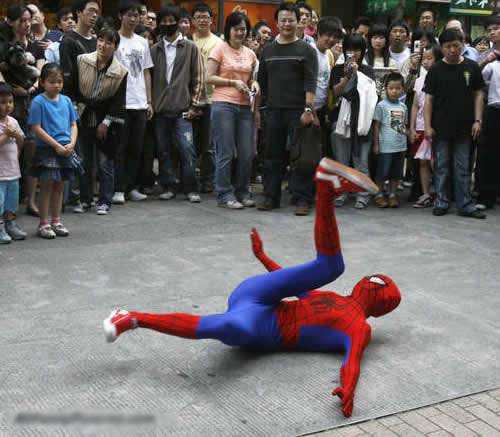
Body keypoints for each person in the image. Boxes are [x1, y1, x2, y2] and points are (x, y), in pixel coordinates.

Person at [103, 158, 401, 419]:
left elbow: (352, 361)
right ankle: (325, 188)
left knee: (232, 325)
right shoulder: (334, 299)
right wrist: (262, 256)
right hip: (258, 296)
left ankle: (132, 317)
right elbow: (289, 280)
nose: (370, 282)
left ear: (379, 302)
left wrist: (348, 388)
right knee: (330, 268)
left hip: (259, 325)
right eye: (374, 279)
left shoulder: (358, 327)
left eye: (377, 284)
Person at [257, 2, 318, 215]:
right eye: (283, 20)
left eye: (291, 20)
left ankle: (302, 199)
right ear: (277, 22)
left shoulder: (307, 50)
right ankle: (270, 197)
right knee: (272, 156)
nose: (286, 24)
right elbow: (262, 82)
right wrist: (260, 110)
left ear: (298, 22)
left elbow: (311, 82)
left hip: (298, 111)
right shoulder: (268, 50)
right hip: (273, 111)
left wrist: (308, 109)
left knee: (301, 157)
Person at [423, 28, 485, 219]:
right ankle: (441, 202)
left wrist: (478, 120)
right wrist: (427, 126)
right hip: (440, 127)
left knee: (463, 168)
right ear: (441, 47)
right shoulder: (435, 70)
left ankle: (465, 204)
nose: (452, 50)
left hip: (465, 128)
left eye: (456, 45)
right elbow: (428, 100)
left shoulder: (472, 67)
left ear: (463, 45)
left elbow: (478, 94)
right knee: (441, 167)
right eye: (448, 46)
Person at [151, 5, 205, 203]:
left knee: (187, 149)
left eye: (171, 20)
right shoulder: (154, 50)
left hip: (183, 110)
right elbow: (149, 78)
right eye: (163, 21)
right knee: (163, 150)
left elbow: (199, 77)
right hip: (160, 110)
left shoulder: (190, 47)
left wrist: (195, 106)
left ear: (178, 22)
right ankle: (169, 186)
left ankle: (191, 188)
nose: (168, 24)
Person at [207, 12, 259, 209]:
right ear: (228, 29)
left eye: (243, 29)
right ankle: (224, 193)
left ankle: (243, 191)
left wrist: (254, 84)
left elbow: (252, 78)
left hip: (245, 106)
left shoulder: (250, 53)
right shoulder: (219, 49)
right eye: (236, 29)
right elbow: (208, 77)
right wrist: (232, 82)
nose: (240, 33)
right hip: (223, 105)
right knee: (225, 151)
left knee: (247, 152)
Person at [74, 27, 128, 216]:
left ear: (115, 47)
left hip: (106, 119)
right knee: (84, 161)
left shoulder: (121, 72)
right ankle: (85, 199)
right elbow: (73, 88)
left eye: (109, 42)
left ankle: (105, 200)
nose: (103, 45)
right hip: (82, 114)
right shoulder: (82, 60)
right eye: (100, 40)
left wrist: (106, 122)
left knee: (105, 162)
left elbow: (118, 101)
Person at [28, 63, 78, 238]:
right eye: (51, 81)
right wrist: (55, 145)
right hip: (47, 149)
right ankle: (43, 223)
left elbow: (73, 124)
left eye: (59, 81)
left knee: (59, 186)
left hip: (66, 148)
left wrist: (72, 143)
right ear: (42, 82)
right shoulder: (38, 102)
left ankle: (56, 220)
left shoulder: (66, 101)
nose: (56, 85)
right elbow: (36, 128)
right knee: (46, 187)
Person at [0, 6, 41, 218]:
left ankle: (31, 200)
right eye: (22, 20)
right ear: (11, 21)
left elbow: (42, 70)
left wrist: (33, 86)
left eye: (28, 20)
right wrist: (10, 89)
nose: (26, 24)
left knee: (32, 150)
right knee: (9, 151)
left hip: (31, 102)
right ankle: (8, 205)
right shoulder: (3, 45)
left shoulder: (34, 45)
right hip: (9, 104)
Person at [112, 0, 154, 205]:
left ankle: (131, 187)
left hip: (140, 102)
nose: (133, 18)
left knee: (136, 148)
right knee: (120, 148)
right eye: (129, 14)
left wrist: (149, 101)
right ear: (121, 16)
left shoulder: (142, 42)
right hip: (121, 102)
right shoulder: (113, 39)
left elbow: (146, 72)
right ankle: (118, 188)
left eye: (136, 15)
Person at [330, 34, 377, 209]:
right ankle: (342, 193)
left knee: (361, 161)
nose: (353, 53)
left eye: (357, 49)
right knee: (341, 161)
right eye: (349, 50)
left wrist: (358, 74)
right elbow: (335, 92)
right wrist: (347, 76)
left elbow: (370, 95)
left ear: (363, 51)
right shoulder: (337, 69)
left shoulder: (368, 70)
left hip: (362, 120)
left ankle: (362, 194)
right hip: (340, 120)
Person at [191, 2, 220, 194]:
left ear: (211, 20)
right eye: (199, 17)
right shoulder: (187, 40)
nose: (202, 20)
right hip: (190, 98)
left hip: (211, 98)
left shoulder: (218, 43)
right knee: (188, 142)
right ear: (193, 21)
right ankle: (188, 179)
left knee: (209, 144)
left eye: (206, 17)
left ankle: (207, 179)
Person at [409, 46, 441, 208]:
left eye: (430, 58)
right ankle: (426, 193)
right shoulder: (419, 80)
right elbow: (415, 105)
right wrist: (412, 127)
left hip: (436, 127)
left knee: (437, 162)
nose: (425, 61)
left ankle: (441, 194)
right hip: (421, 127)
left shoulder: (442, 78)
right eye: (424, 58)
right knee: (423, 161)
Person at [372, 72, 408, 208]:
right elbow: (376, 126)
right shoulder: (381, 106)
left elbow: (404, 125)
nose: (394, 91)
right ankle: (379, 194)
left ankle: (392, 194)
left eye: (398, 88)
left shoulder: (403, 107)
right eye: (391, 88)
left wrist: (409, 135)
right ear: (386, 89)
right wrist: (376, 144)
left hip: (400, 146)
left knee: (396, 173)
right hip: (385, 147)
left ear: (402, 89)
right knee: (382, 172)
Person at [476, 16, 500, 210]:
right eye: (489, 29)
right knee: (488, 153)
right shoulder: (486, 55)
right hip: (492, 108)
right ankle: (486, 196)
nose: (492, 32)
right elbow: (473, 79)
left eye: (496, 28)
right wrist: (485, 62)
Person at [0, 83, 27, 244]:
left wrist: (16, 136)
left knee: (11, 201)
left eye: (10, 102)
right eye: (3, 102)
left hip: (12, 171)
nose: (8, 106)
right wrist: (6, 135)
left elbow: (21, 142)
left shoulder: (13, 122)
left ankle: (10, 224)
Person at [59, 0, 100, 100]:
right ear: (79, 12)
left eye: (96, 12)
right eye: (91, 10)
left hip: (96, 99)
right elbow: (67, 77)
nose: (94, 15)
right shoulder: (68, 41)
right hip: (76, 101)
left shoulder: (97, 41)